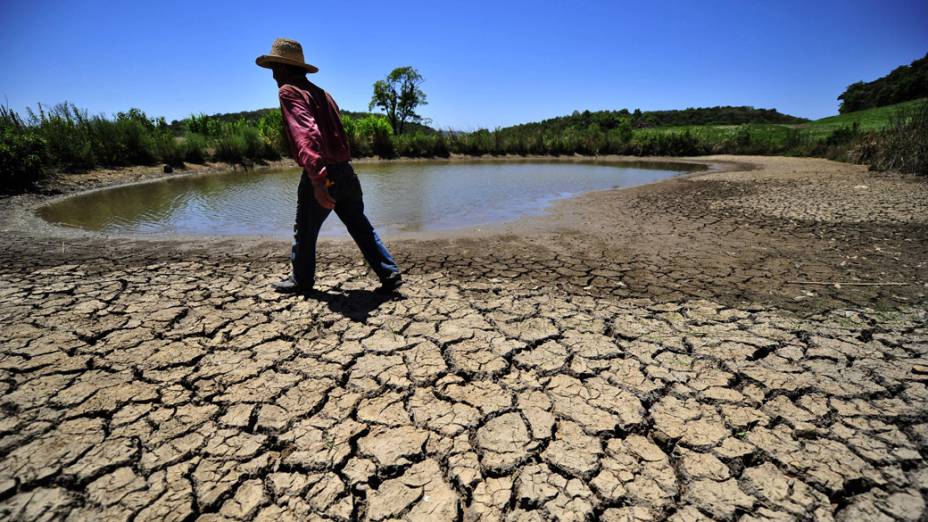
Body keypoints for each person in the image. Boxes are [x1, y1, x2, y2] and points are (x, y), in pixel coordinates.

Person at [256, 38, 402, 294]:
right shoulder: (324, 94)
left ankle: (301, 280)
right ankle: (388, 272)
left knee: (305, 229)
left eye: (274, 69)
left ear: (284, 68)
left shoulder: (289, 91)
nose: (273, 75)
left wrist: (318, 179)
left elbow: (306, 133)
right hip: (346, 170)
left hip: (324, 172)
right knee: (360, 225)